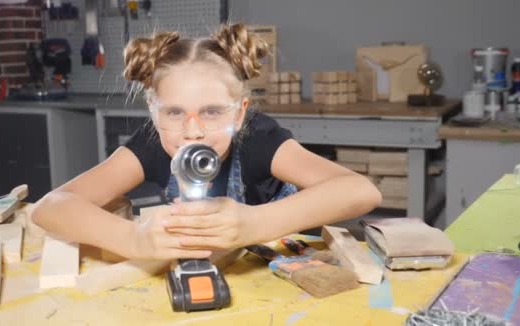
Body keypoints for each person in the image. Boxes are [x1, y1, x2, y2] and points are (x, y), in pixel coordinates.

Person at [32, 23, 382, 260]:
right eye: (174, 113)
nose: (193, 131)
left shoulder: (258, 136)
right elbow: (51, 207)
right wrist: (133, 239)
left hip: (267, 267)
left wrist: (255, 224)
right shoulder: (152, 143)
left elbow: (360, 191)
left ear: (239, 113)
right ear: (154, 114)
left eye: (212, 112)